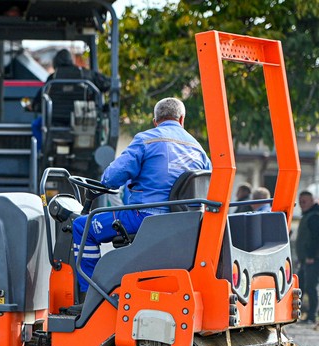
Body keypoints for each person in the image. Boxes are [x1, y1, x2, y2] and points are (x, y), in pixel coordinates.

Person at [70, 97, 212, 296]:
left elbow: (111, 178)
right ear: (182, 120)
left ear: (155, 121)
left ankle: (88, 296)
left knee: (82, 226)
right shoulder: (199, 149)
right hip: (186, 223)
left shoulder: (146, 140)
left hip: (144, 217)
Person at [29, 49, 111, 150]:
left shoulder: (52, 78)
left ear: (55, 62)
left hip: (54, 120)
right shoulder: (87, 75)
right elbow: (108, 84)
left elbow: (39, 98)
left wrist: (33, 106)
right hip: (82, 120)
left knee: (36, 125)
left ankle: (40, 152)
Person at [296, 191, 319, 324]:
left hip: (314, 259)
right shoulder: (309, 216)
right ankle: (299, 314)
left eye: (304, 201)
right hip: (307, 259)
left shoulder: (314, 217)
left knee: (310, 286)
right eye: (300, 202)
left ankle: (312, 316)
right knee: (301, 286)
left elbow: (316, 238)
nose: (302, 204)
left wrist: (310, 256)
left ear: (312, 201)